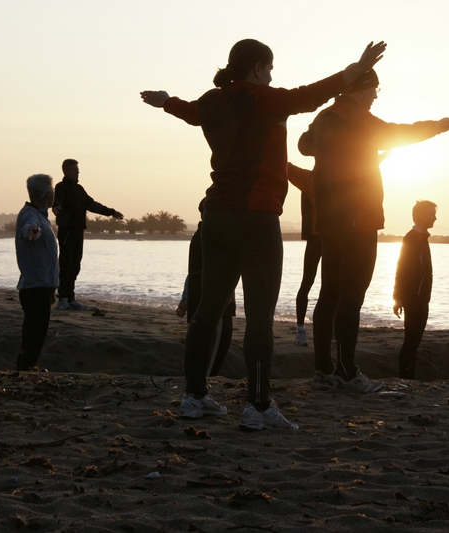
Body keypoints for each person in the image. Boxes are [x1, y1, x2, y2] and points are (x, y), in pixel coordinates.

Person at [141, 38, 387, 430]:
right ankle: (257, 405)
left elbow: (188, 112)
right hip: (256, 220)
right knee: (259, 319)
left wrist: (165, 100)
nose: (271, 76)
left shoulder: (212, 100)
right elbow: (312, 94)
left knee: (208, 311)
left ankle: (194, 396)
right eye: (269, 69)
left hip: (215, 218)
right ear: (257, 68)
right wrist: (354, 70)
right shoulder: (263, 99)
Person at [298, 68, 449, 393]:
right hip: (359, 218)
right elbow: (396, 133)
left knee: (329, 293)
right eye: (374, 89)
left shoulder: (326, 115)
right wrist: (436, 127)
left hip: (328, 220)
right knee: (351, 296)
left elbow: (304, 145)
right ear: (361, 88)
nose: (375, 95)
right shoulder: (356, 116)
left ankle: (323, 369)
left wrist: (340, 150)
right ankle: (347, 372)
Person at [53, 159, 124, 311]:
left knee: (75, 265)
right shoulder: (61, 187)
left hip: (79, 230)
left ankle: (71, 298)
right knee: (65, 263)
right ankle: (62, 299)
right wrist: (57, 208)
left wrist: (111, 212)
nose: (77, 172)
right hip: (67, 230)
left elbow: (92, 205)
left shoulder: (79, 189)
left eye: (78, 170)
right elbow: (57, 202)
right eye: (74, 170)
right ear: (66, 171)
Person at [176, 199, 236, 377]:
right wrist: (186, 298)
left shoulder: (204, 234)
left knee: (213, 348)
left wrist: (186, 298)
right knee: (213, 349)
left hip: (211, 301)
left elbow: (194, 272)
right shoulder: (209, 236)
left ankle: (200, 382)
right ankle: (201, 384)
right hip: (214, 303)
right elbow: (198, 272)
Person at [15, 174, 58, 371]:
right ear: (47, 194)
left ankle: (24, 372)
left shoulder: (40, 215)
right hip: (36, 289)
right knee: (34, 339)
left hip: (41, 287)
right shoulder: (30, 214)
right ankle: (26, 372)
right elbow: (30, 227)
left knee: (33, 337)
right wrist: (31, 231)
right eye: (53, 191)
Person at [393, 201, 437, 380]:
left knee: (415, 342)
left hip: (422, 297)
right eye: (431, 214)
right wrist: (398, 298)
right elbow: (402, 268)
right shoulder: (411, 238)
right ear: (420, 216)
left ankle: (409, 377)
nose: (435, 218)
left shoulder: (422, 238)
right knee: (411, 341)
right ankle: (405, 377)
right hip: (413, 298)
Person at [286, 163, 320, 347]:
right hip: (316, 237)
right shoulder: (308, 178)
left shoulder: (338, 177)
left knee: (332, 284)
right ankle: (300, 329)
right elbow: (284, 164)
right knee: (307, 282)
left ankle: (328, 326)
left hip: (332, 238)